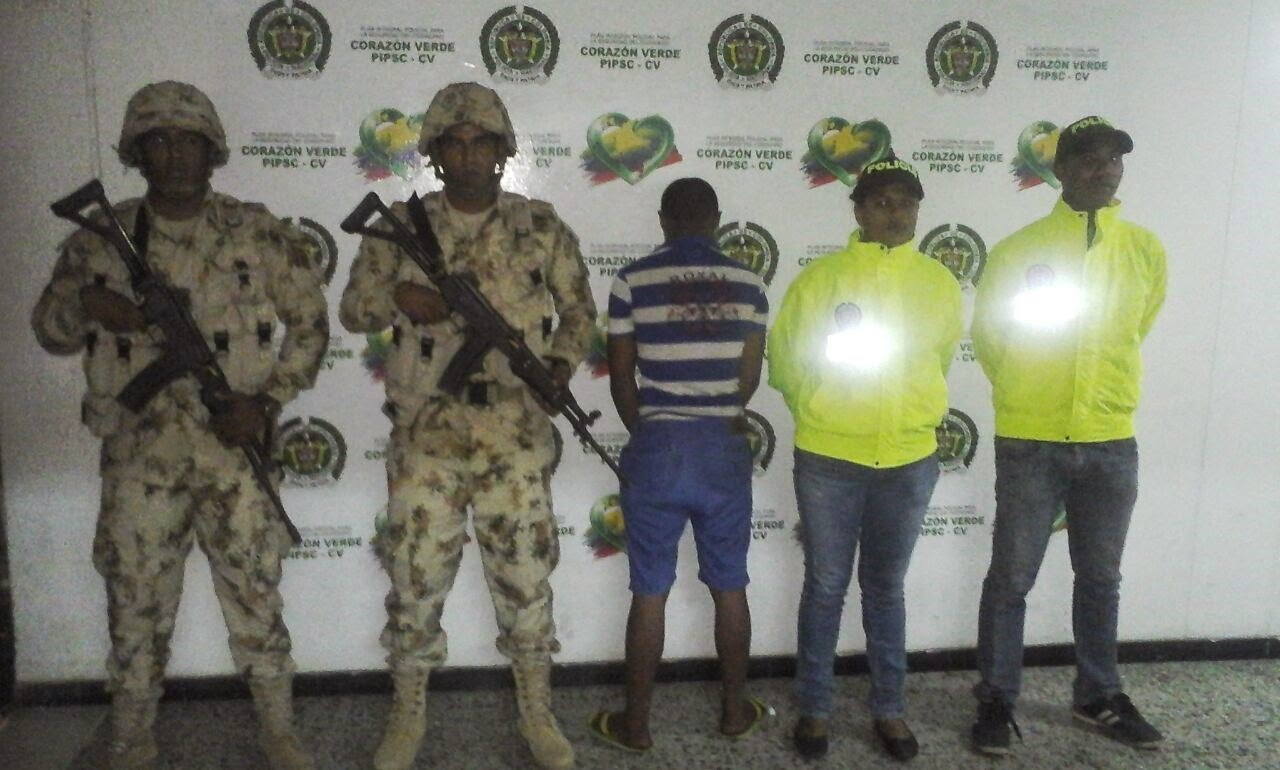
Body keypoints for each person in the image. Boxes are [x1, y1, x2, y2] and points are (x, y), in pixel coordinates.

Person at [31, 81, 329, 770]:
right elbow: (50, 330)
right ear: (137, 152)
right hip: (140, 456)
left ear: (211, 149)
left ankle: (277, 729)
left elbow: (311, 326)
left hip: (233, 452)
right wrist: (89, 303)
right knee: (135, 603)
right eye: (158, 141)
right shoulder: (100, 240)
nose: (174, 155)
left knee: (255, 595)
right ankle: (131, 735)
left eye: (188, 140)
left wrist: (267, 401)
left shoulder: (255, 230)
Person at [339, 82, 595, 770]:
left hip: (515, 436)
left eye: (482, 142)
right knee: (415, 581)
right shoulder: (402, 226)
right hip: (427, 438)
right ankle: (408, 713)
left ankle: (536, 712)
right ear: (435, 153)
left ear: (503, 151)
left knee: (525, 580)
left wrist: (558, 368)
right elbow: (355, 311)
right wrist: (401, 295)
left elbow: (578, 312)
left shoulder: (540, 226)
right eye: (454, 143)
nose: (469, 155)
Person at [969, 116, 1167, 755]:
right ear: (1059, 170)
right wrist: (1030, 396)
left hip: (1111, 438)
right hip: (1032, 439)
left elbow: (1138, 328)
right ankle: (997, 698)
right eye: (1089, 159)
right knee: (1011, 578)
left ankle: (1097, 695)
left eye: (1114, 159)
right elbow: (991, 340)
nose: (1104, 170)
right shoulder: (1018, 250)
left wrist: (1101, 401)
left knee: (1101, 577)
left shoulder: (1144, 250)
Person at [768, 156, 962, 762]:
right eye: (881, 201)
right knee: (826, 585)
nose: (896, 212)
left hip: (908, 459)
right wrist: (826, 412)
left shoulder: (938, 282)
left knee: (886, 588)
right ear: (858, 210)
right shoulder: (820, 280)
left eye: (906, 201)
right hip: (830, 457)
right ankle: (815, 708)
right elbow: (786, 364)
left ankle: (889, 709)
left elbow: (941, 360)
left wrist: (907, 418)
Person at [589, 178, 770, 753]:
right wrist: (713, 415)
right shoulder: (749, 283)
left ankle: (636, 726)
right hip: (722, 448)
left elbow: (621, 377)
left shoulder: (632, 281)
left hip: (658, 448)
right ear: (716, 219)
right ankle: (735, 713)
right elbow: (747, 380)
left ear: (663, 219)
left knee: (649, 591)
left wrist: (651, 431)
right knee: (730, 585)